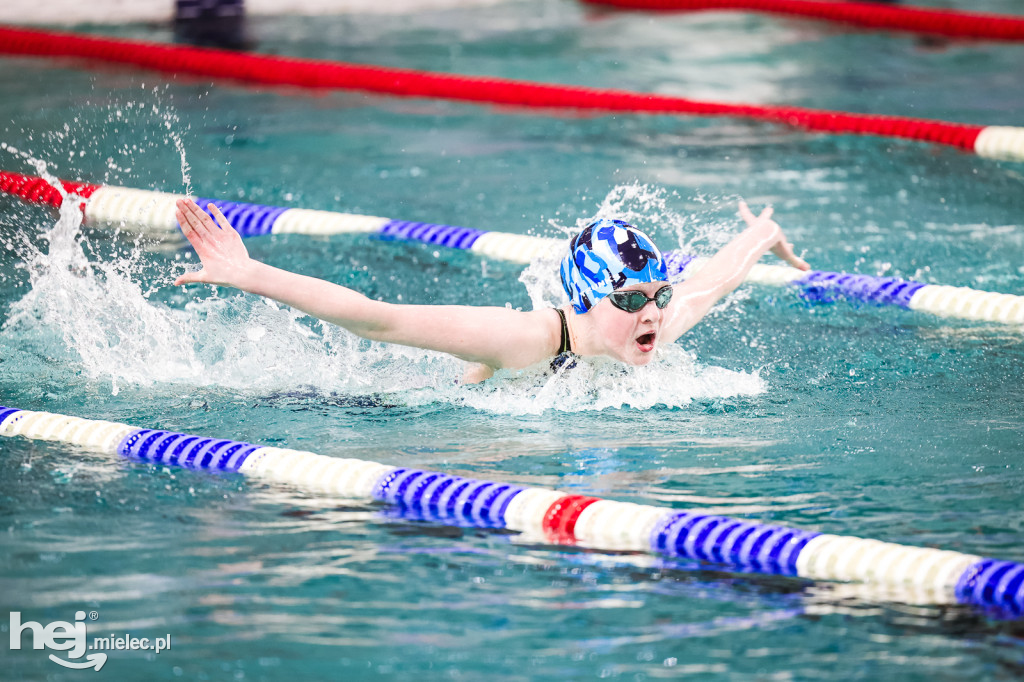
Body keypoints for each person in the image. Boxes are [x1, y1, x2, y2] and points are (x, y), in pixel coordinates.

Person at [173, 198, 809, 383]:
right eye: (631, 299)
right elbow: (377, 320)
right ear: (587, 298)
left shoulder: (656, 323)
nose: (652, 312)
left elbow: (717, 278)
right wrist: (247, 272)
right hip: (389, 401)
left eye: (656, 296)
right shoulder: (526, 339)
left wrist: (766, 231)